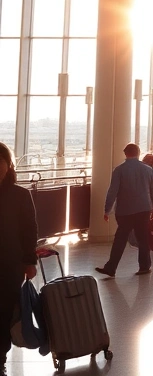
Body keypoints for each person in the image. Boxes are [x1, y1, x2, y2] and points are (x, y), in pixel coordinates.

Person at [95, 143, 153, 277]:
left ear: (125, 154)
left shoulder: (119, 170)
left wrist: (107, 210)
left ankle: (111, 267)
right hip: (144, 209)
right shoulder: (148, 170)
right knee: (143, 238)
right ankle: (144, 266)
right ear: (138, 153)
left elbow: (112, 191)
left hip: (125, 211)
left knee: (120, 238)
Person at [0, 142, 38, 376]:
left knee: (4, 311)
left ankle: (0, 357)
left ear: (8, 165)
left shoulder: (20, 195)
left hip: (9, 264)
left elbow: (30, 229)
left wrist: (29, 260)